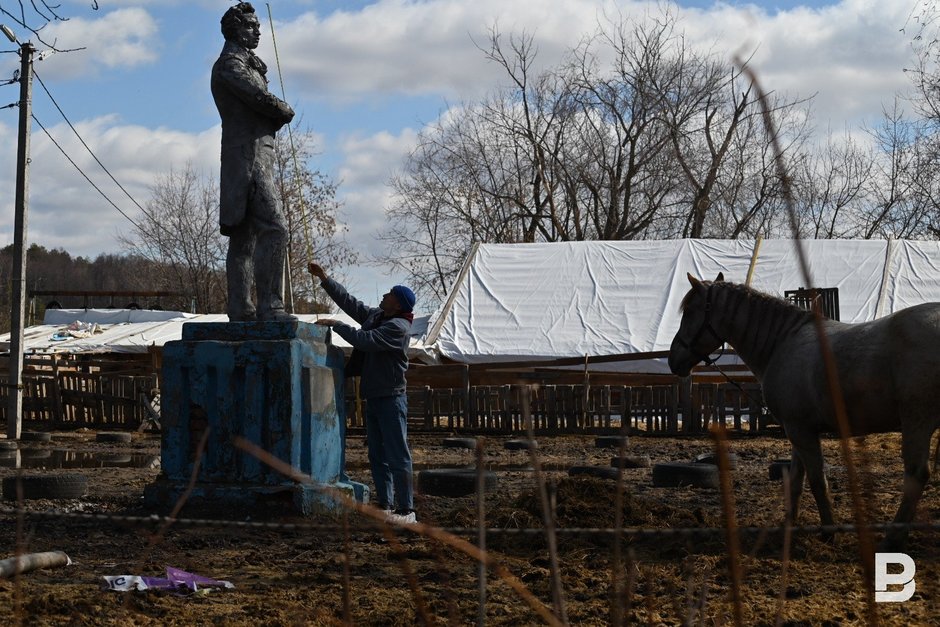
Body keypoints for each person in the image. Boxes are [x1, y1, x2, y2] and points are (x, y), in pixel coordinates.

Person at [307, 262, 417, 524]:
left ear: (398, 304)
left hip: (391, 397)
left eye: (389, 294)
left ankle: (406, 511)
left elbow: (365, 341)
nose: (383, 296)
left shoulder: (397, 327)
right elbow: (351, 303)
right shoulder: (379, 316)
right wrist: (325, 278)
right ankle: (387, 505)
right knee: (377, 454)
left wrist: (337, 325)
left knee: (397, 454)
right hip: (375, 395)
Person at [211, 2, 295, 322]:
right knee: (275, 228)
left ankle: (241, 308)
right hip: (247, 158)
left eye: (258, 25)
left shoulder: (246, 63)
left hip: (254, 155)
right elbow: (256, 98)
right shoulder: (230, 65)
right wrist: (282, 109)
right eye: (250, 25)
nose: (257, 30)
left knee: (244, 238)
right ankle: (270, 306)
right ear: (235, 30)